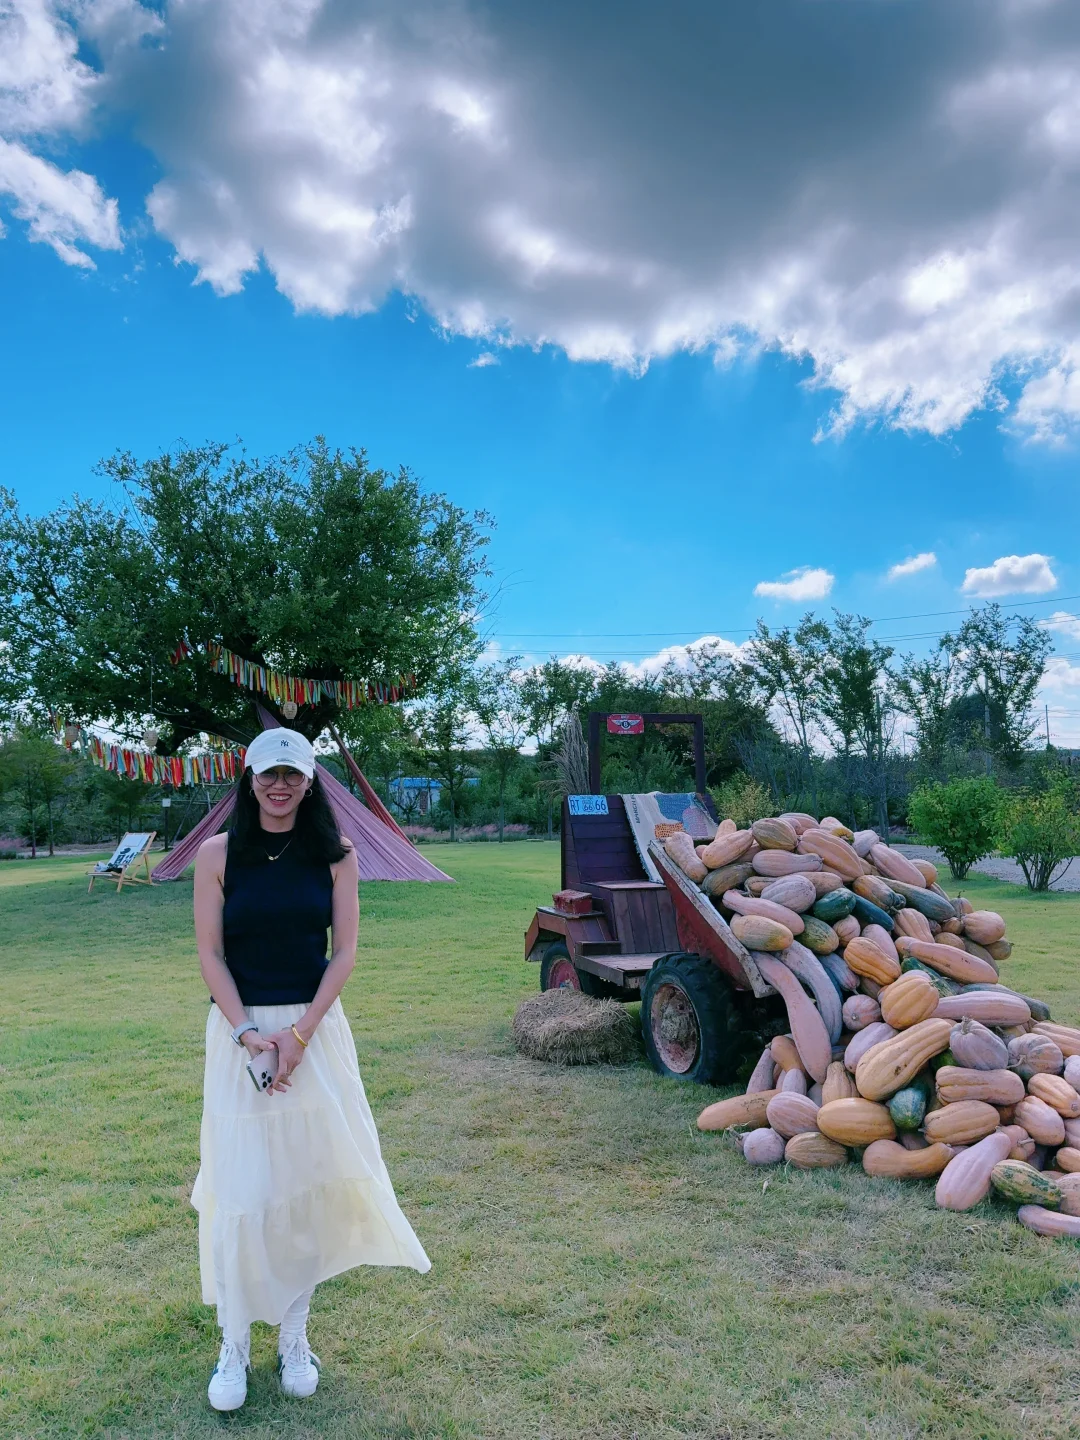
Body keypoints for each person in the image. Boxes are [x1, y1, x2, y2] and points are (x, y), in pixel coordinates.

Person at [192, 727, 430, 1412]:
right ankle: (234, 1342)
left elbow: (344, 952)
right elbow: (210, 954)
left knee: (305, 1185)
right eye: (269, 774)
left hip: (314, 1033)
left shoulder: (337, 854)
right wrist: (249, 1036)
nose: (280, 786)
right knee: (244, 1189)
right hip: (240, 1033)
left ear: (309, 780)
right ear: (249, 778)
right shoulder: (216, 854)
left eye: (292, 775)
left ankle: (294, 1336)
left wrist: (299, 1036)